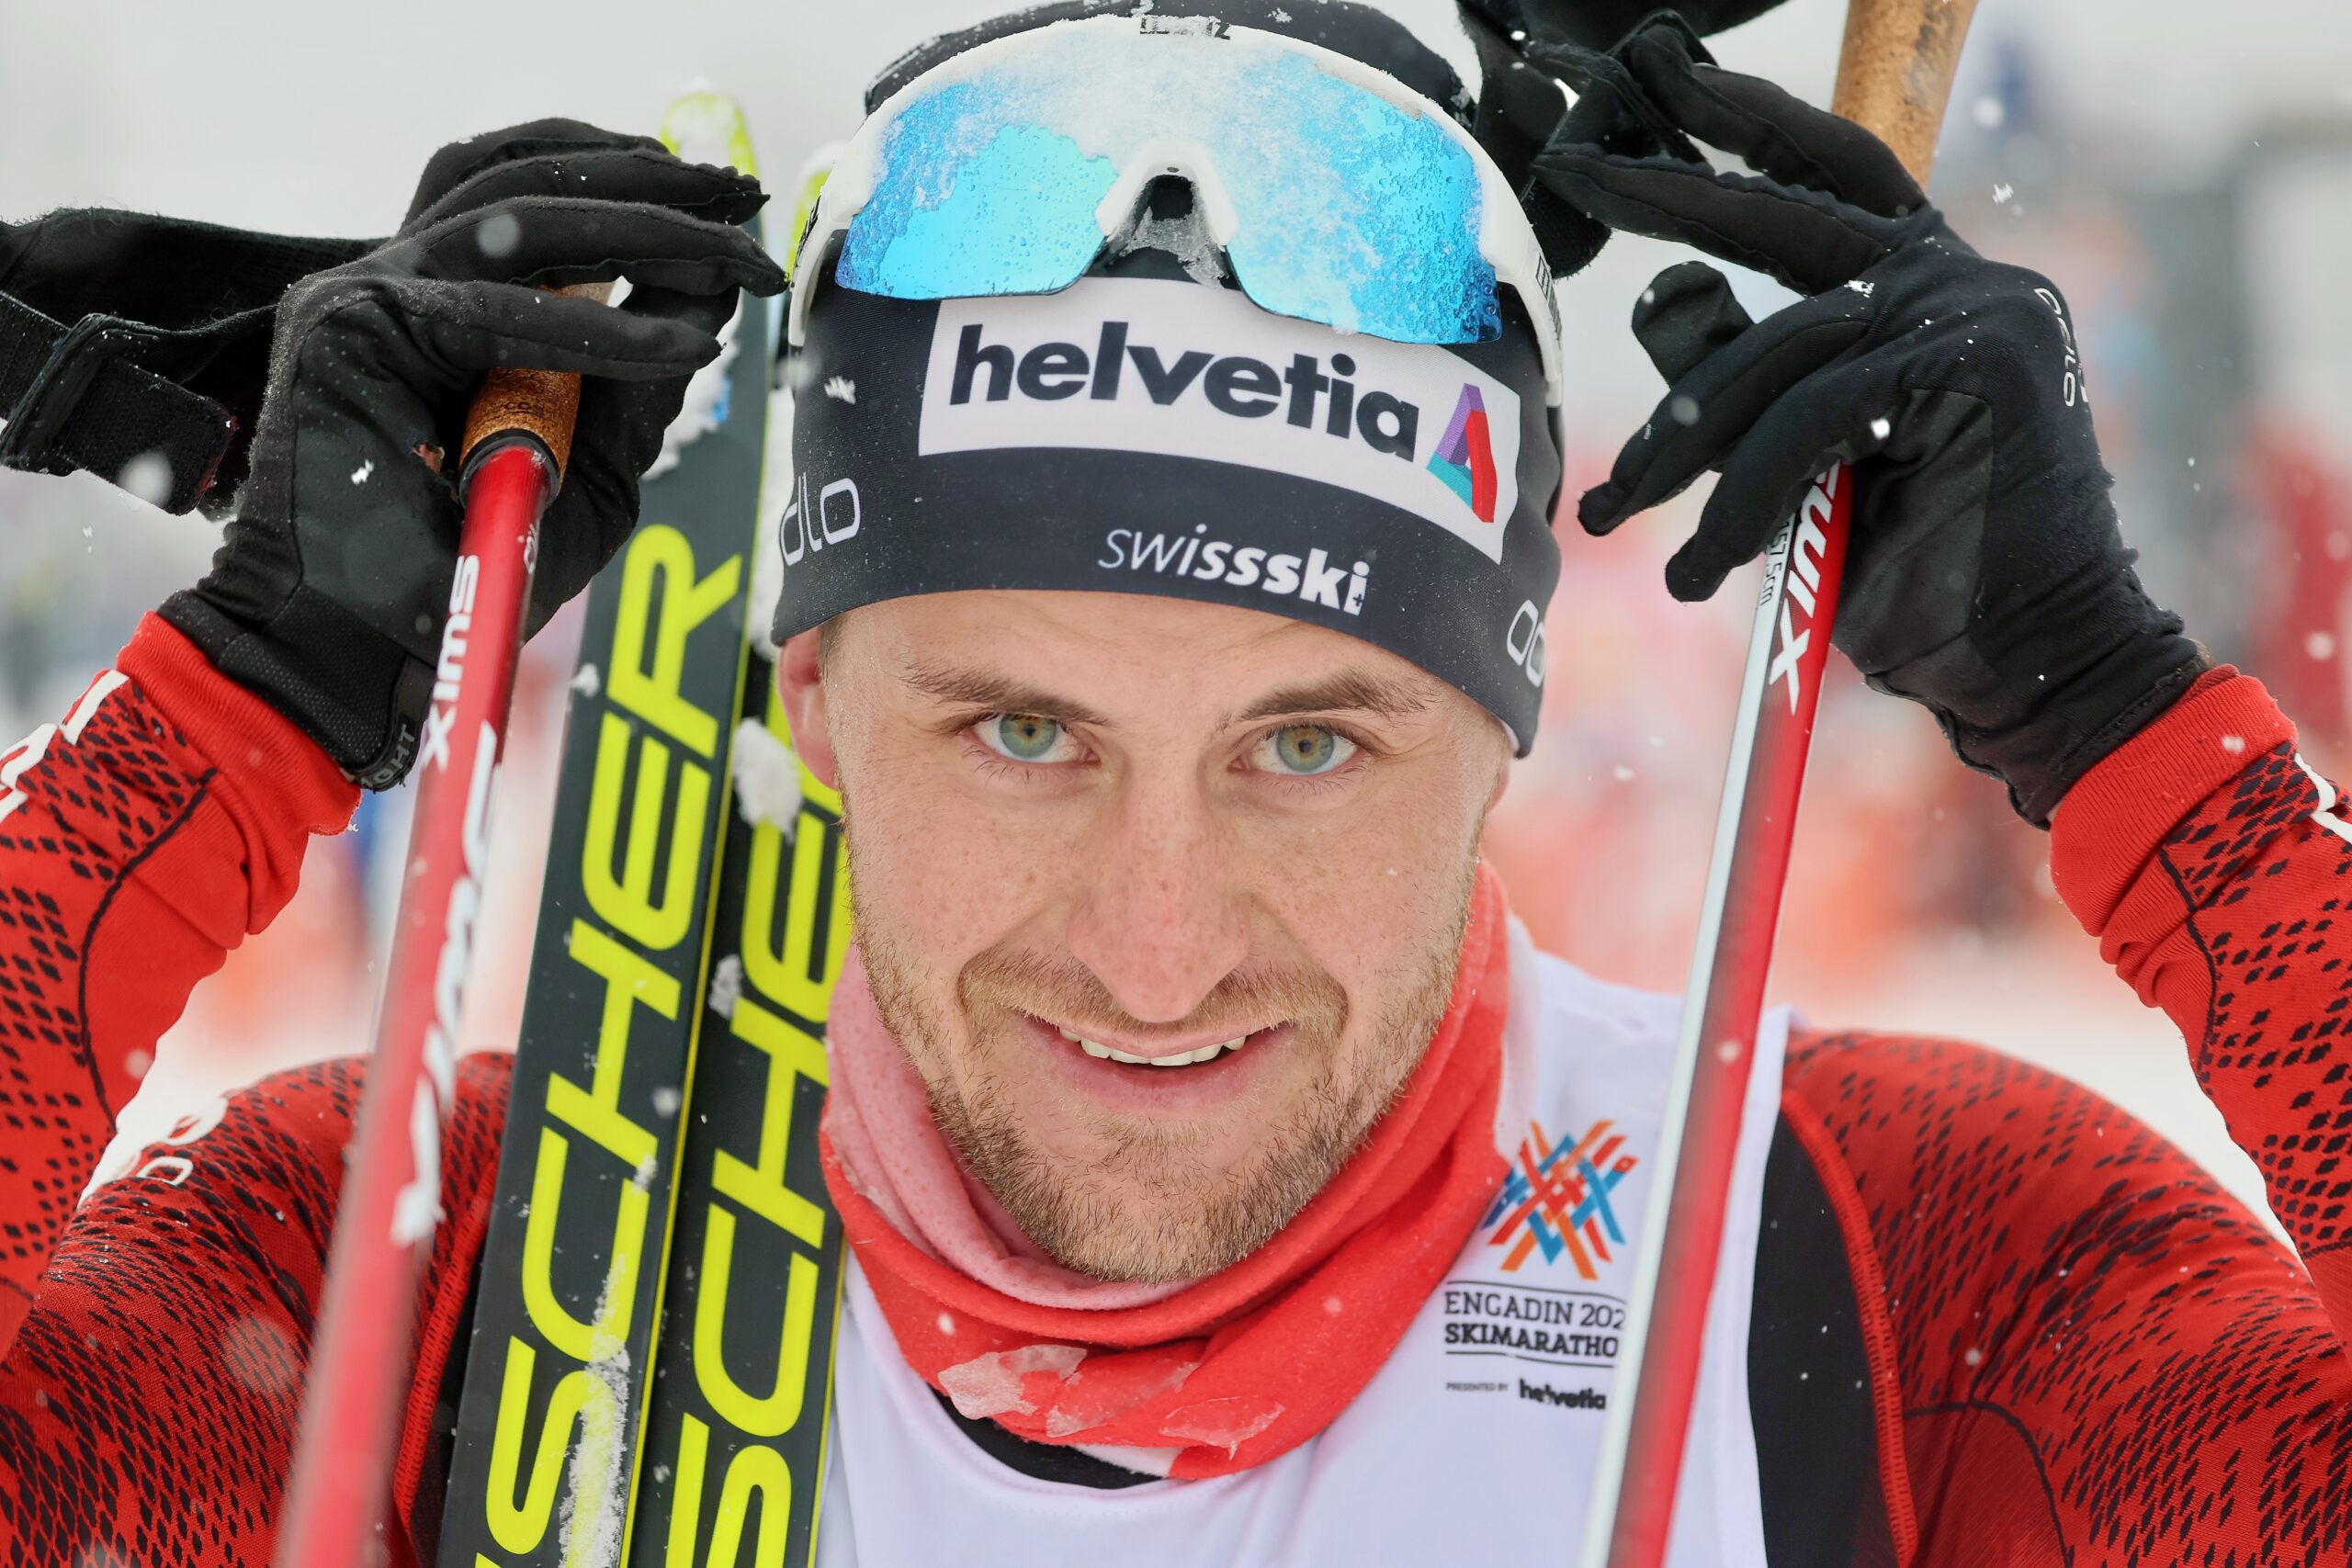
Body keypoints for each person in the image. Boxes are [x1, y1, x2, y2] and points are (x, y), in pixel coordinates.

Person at [0, 4, 2346, 1564]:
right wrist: (240, 701)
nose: (1155, 945)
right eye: (1019, 732)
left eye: (1304, 743)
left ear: (1502, 724)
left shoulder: (1872, 1265)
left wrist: (2122, 726)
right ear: (806, 691)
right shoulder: (411, 1273)